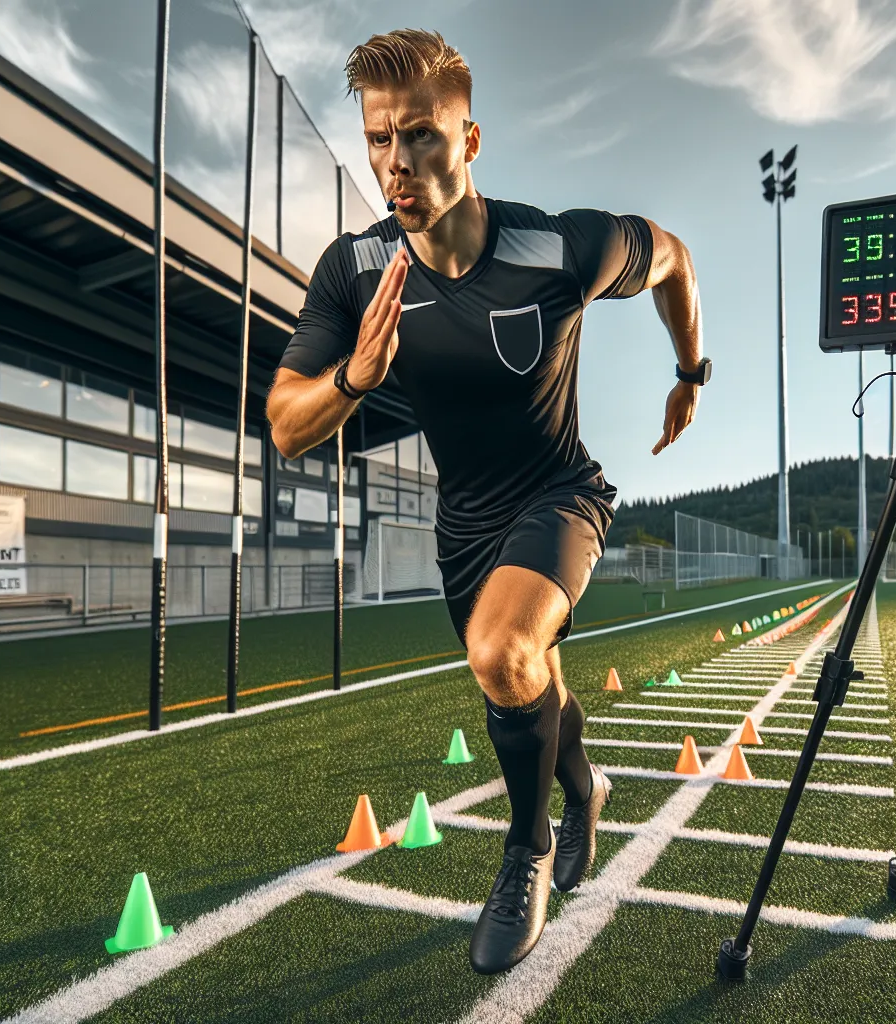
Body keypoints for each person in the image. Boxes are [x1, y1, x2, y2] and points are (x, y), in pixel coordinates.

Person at [267, 28, 709, 975]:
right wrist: (353, 378)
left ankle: (528, 848)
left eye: (421, 134)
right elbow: (286, 424)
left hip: (561, 494)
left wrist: (690, 372)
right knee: (523, 673)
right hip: (465, 525)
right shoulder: (355, 271)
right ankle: (585, 791)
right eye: (379, 139)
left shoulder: (561, 247)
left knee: (503, 652)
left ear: (469, 140)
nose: (396, 161)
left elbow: (675, 258)